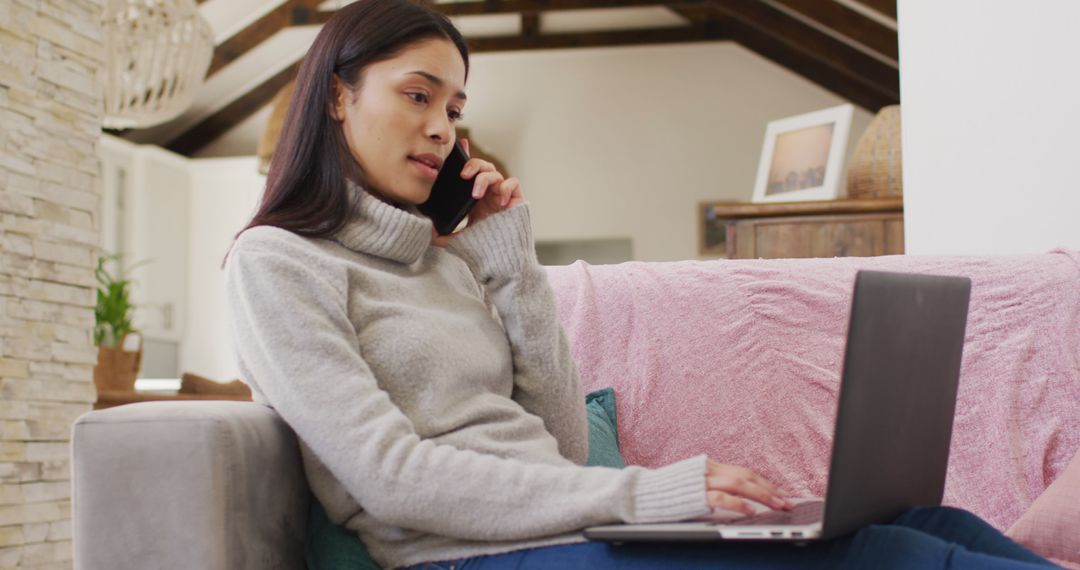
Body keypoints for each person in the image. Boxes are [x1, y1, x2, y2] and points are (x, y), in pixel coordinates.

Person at [223, 1, 1059, 569]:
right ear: (337, 95)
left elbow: (559, 443)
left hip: (567, 531)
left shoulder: (445, 261)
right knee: (884, 558)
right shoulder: (278, 264)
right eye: (418, 96)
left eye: (455, 107)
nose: (443, 129)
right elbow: (389, 476)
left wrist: (511, 262)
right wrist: (646, 495)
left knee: (920, 523)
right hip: (461, 557)